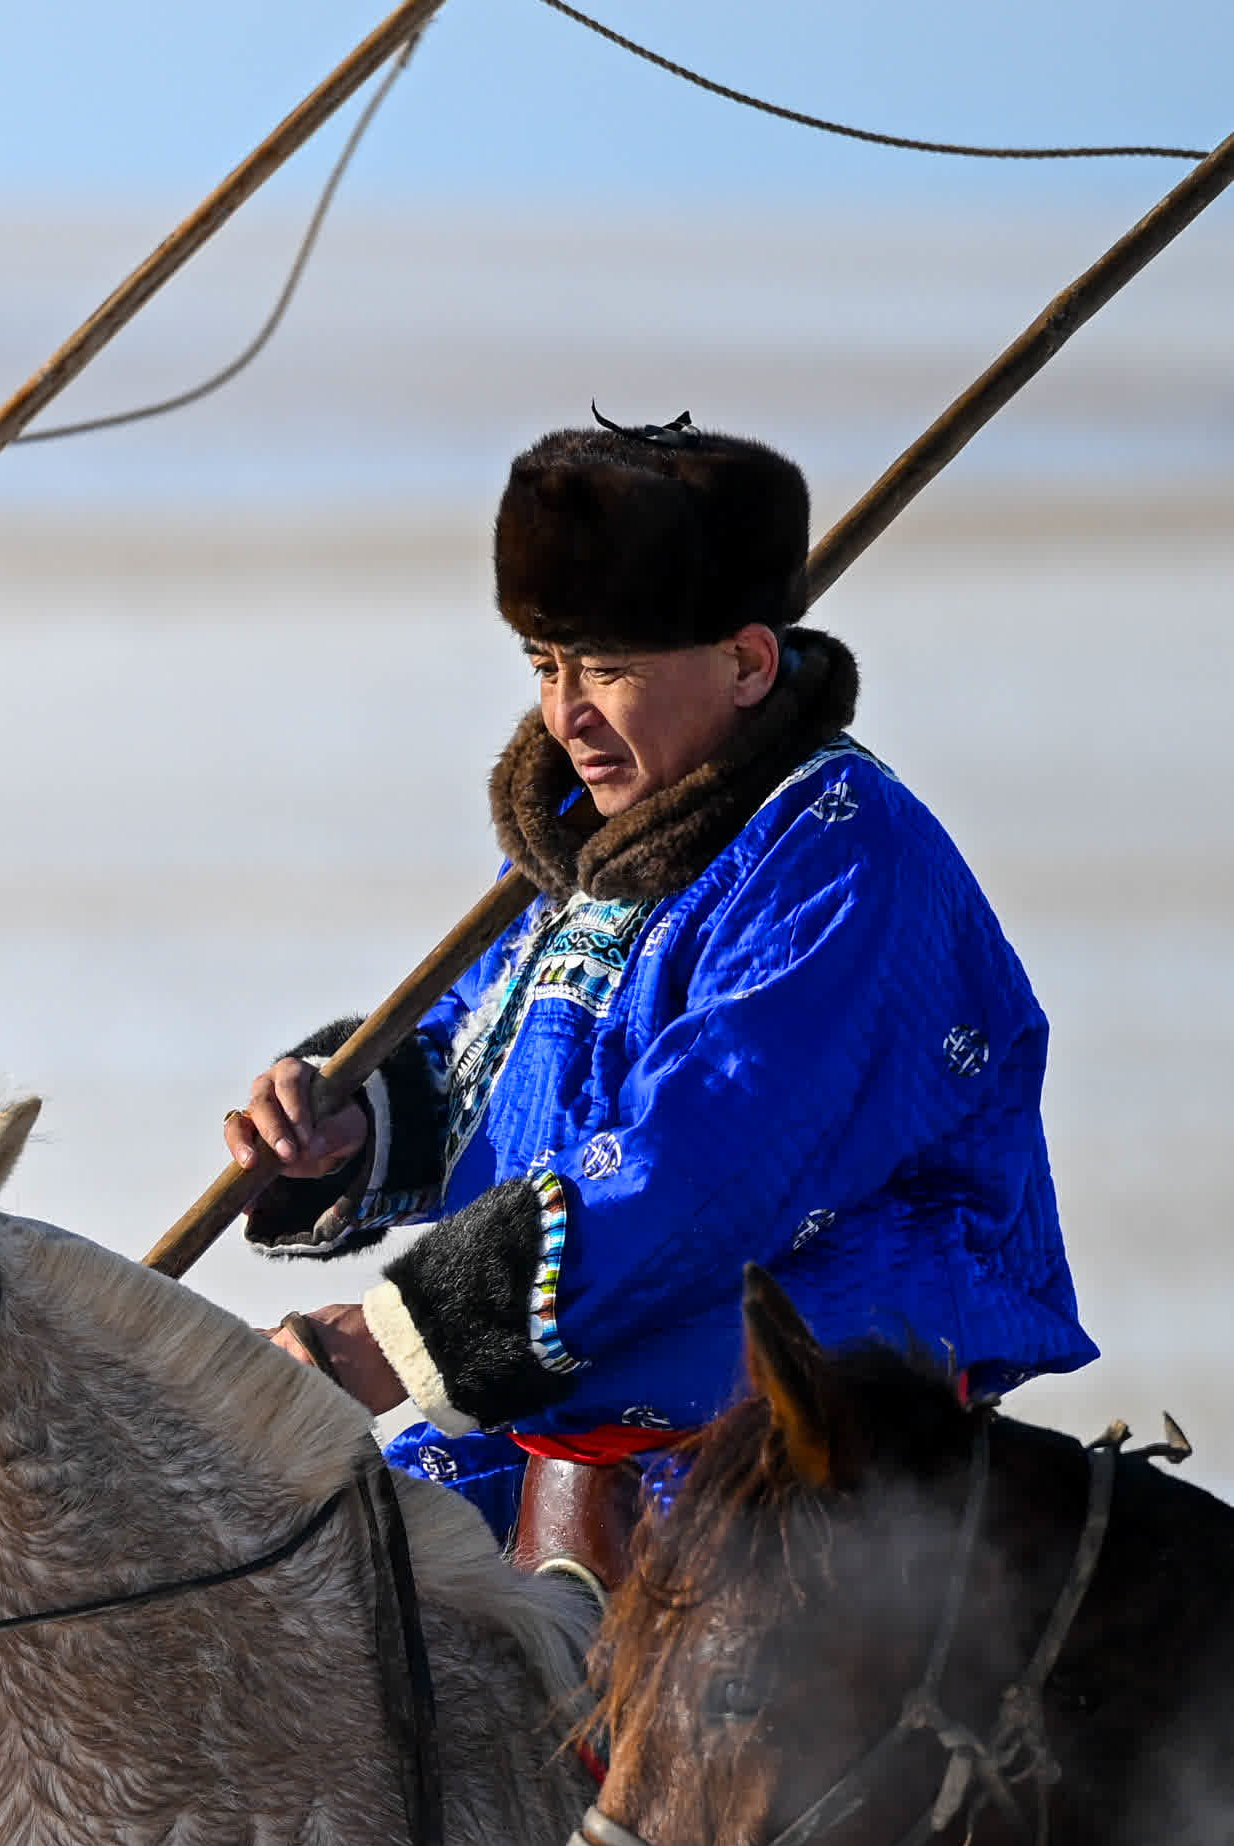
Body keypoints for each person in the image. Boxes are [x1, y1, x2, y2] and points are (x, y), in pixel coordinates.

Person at [223, 416, 1082, 1588]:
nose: (565, 714)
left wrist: (387, 1343)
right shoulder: (593, 851)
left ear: (745, 663)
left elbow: (703, 1164)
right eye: (543, 664)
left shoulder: (842, 858)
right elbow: (488, 1058)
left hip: (799, 1393)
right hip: (583, 1369)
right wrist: (351, 1127)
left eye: (609, 668)